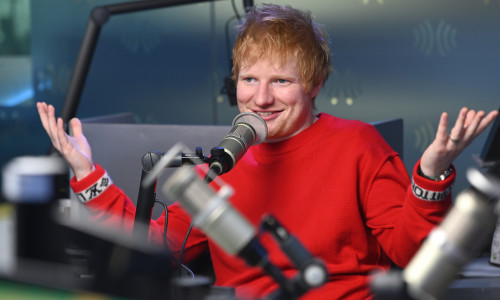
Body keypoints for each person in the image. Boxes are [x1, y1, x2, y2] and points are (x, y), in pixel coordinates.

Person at [37, 4, 498, 300]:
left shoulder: (357, 144)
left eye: (281, 81)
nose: (261, 98)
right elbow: (155, 245)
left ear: (315, 85)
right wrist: (85, 171)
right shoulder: (223, 161)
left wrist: (432, 172)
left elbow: (410, 254)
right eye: (249, 80)